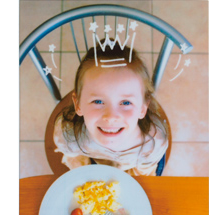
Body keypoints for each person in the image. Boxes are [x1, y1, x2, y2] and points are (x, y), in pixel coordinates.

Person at [53, 39, 169, 176]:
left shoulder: (152, 144)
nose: (111, 117)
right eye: (98, 101)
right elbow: (76, 160)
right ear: (78, 104)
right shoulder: (69, 134)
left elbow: (143, 178)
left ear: (143, 108)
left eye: (126, 103)